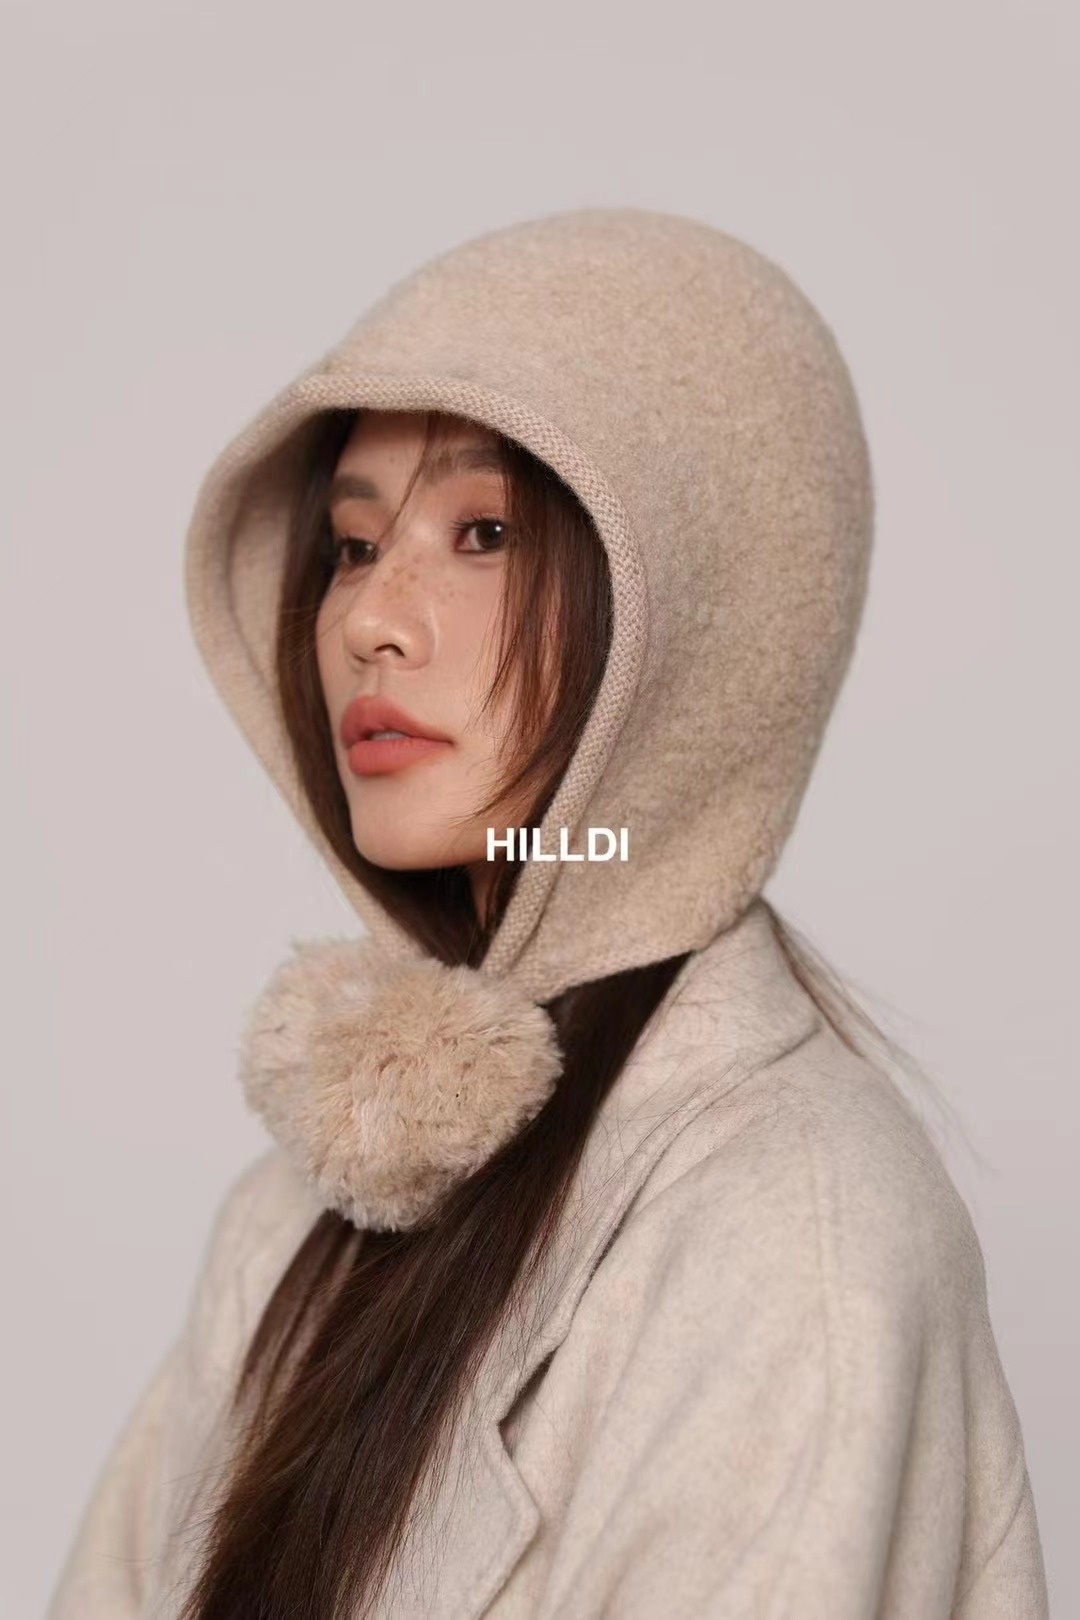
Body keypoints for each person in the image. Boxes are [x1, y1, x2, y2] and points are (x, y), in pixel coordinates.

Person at [45, 207, 1049, 1619]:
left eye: (484, 531)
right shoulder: (294, 1222)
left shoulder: (798, 1228)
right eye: (349, 545)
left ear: (698, 617)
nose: (368, 621)